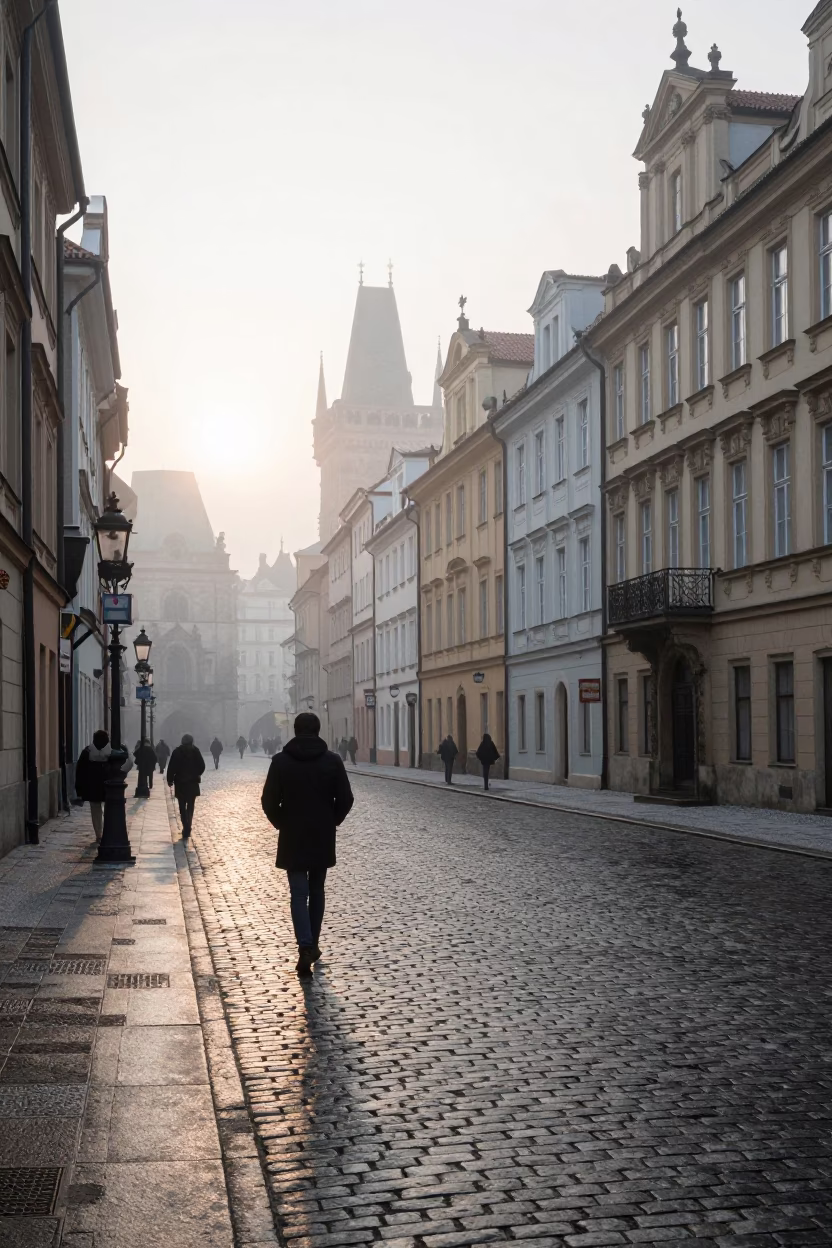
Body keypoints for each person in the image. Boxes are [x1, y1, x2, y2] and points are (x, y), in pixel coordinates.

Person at [261, 712, 353, 977]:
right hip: (322, 834)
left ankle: (305, 945)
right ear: (319, 730)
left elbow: (268, 801)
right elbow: (346, 798)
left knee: (298, 893)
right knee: (318, 890)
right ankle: (312, 943)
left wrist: (282, 822)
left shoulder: (280, 761)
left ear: (295, 729)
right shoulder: (332, 761)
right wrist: (332, 820)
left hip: (293, 833)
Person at [75, 730, 132, 843]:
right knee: (110, 808)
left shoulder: (88, 751)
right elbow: (128, 763)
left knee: (95, 810)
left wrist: (79, 789)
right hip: (109, 784)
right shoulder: (114, 750)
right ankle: (108, 831)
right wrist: (121, 775)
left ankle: (99, 834)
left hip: (92, 786)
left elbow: (80, 771)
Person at [166, 734, 206, 838]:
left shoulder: (177, 752)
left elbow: (171, 767)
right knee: (191, 805)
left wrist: (170, 780)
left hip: (180, 782)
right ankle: (189, 824)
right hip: (192, 782)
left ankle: (185, 826)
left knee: (182, 805)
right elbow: (202, 765)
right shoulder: (195, 751)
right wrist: (196, 773)